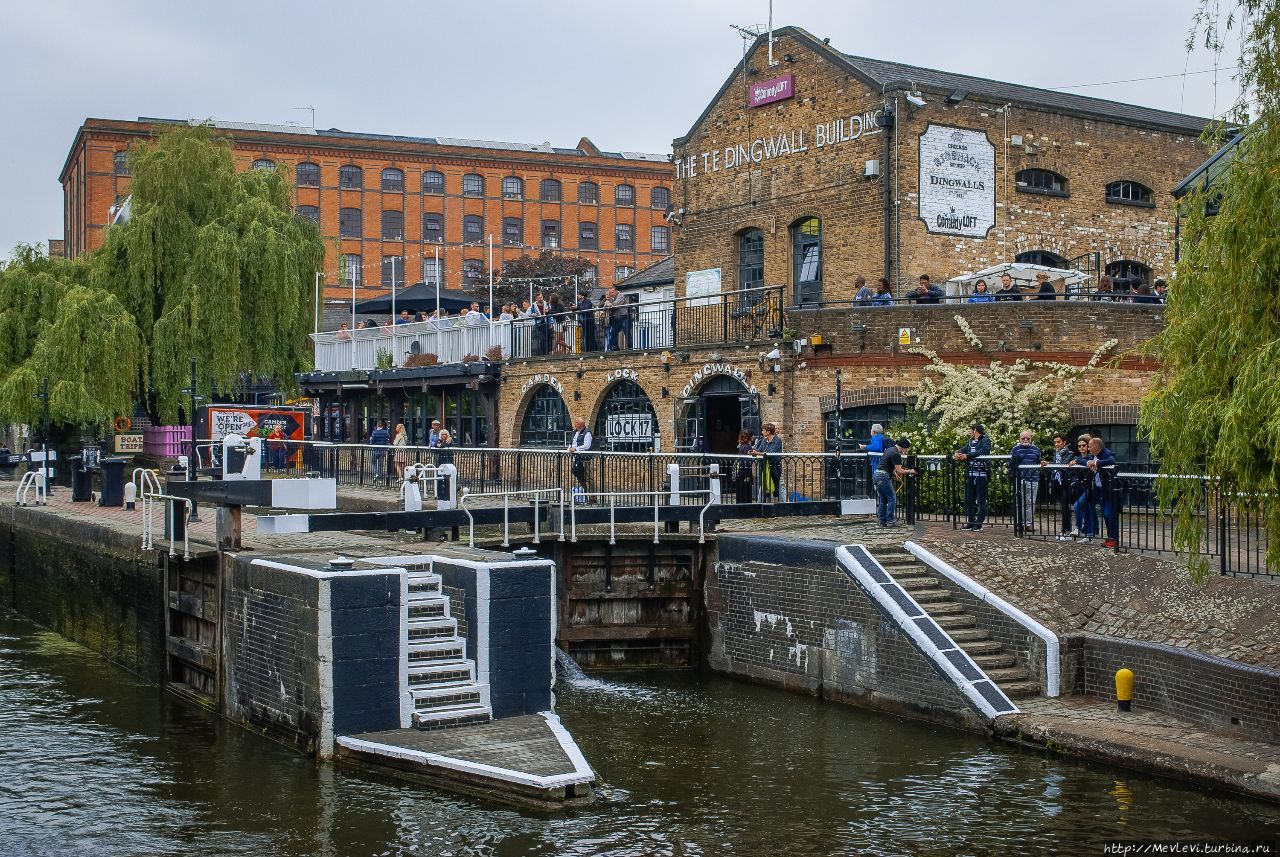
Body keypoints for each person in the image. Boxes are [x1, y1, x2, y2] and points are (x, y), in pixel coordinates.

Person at [955, 423, 992, 531]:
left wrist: (968, 456)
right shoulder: (970, 442)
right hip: (970, 474)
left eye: (971, 430)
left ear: (975, 430)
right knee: (968, 500)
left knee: (981, 500)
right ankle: (971, 522)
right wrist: (958, 453)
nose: (970, 433)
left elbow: (985, 450)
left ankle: (978, 523)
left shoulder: (985, 440)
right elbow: (964, 449)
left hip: (981, 474)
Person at [873, 437, 917, 527]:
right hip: (883, 477)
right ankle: (890, 520)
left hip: (877, 475)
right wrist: (911, 471)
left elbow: (886, 464)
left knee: (883, 499)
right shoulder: (896, 453)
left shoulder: (889, 450)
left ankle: (882, 521)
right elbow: (900, 470)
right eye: (906, 449)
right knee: (892, 498)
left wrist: (893, 473)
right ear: (903, 447)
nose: (906, 451)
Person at [1087, 436, 1119, 548]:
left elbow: (1111, 460)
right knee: (1105, 515)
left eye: (1090, 446)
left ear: (1096, 446)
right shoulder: (1093, 455)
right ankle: (1110, 539)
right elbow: (1084, 459)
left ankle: (1114, 539)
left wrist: (1096, 463)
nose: (1088, 448)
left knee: (1108, 514)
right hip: (1100, 489)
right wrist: (1079, 461)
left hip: (1109, 490)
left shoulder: (1106, 453)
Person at [1009, 430, 1043, 535]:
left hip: (1033, 479)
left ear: (1031, 438)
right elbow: (1011, 464)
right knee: (1020, 502)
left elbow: (1038, 462)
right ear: (1020, 439)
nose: (1025, 440)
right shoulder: (1015, 449)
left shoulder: (1036, 450)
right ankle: (1020, 523)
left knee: (1031, 502)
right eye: (1023, 438)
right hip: (1020, 479)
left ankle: (1028, 524)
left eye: (1027, 438)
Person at [1043, 433, 1075, 539]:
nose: (1056, 444)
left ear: (1064, 442)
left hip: (1066, 483)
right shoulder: (1056, 453)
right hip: (1058, 482)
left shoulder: (1069, 453)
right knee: (1062, 507)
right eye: (1055, 442)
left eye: (1058, 442)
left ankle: (1066, 531)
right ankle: (1065, 531)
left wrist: (1050, 464)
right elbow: (1055, 466)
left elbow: (1062, 465)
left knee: (1065, 507)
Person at [1070, 434, 1098, 539]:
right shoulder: (1077, 458)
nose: (1082, 448)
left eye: (1084, 445)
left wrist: (1077, 461)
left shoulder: (1091, 457)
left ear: (1088, 446)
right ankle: (1089, 534)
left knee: (1078, 506)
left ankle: (1078, 527)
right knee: (1086, 510)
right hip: (1079, 487)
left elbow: (1087, 462)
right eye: (1079, 446)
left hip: (1089, 487)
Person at [750, 422, 783, 501]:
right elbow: (759, 450)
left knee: (776, 489)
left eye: (763, 430)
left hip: (774, 467)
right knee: (766, 489)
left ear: (768, 432)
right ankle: (766, 507)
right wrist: (752, 451)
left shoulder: (777, 440)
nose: (762, 432)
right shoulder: (764, 440)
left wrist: (757, 453)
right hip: (765, 468)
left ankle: (777, 506)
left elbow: (771, 453)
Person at [568, 417, 593, 499]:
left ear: (581, 424)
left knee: (588, 477)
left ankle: (592, 497)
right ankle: (585, 495)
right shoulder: (574, 432)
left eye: (576, 423)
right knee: (579, 476)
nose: (575, 424)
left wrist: (576, 449)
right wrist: (569, 449)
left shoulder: (587, 433)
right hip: (576, 458)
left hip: (584, 459)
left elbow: (587, 445)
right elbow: (571, 443)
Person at [605, 287, 629, 351]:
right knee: (613, 332)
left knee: (627, 333)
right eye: (610, 293)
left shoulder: (620, 295)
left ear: (616, 291)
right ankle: (614, 347)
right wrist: (608, 302)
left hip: (624, 317)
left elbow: (615, 305)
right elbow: (604, 307)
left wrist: (609, 304)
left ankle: (630, 348)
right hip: (617, 318)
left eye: (612, 292)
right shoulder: (611, 298)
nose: (611, 294)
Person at [735, 430, 755, 502]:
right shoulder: (747, 447)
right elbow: (747, 462)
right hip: (744, 474)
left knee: (741, 494)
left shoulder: (742, 446)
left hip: (740, 473)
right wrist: (748, 476)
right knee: (746, 495)